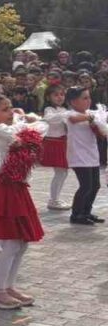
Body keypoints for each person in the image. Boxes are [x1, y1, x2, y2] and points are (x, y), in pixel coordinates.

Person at [0, 94, 46, 309]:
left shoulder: (9, 127)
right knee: (12, 242)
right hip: (0, 188)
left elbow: (38, 129)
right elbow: (7, 134)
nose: (10, 113)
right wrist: (23, 124)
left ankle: (8, 286)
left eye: (11, 108)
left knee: (22, 243)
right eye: (4, 109)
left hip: (14, 187)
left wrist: (28, 122)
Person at [65, 87, 105, 225]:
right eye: (85, 98)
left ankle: (86, 212)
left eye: (89, 97)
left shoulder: (90, 113)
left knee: (95, 185)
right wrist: (92, 118)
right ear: (73, 101)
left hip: (92, 155)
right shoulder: (69, 113)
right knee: (86, 186)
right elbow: (74, 119)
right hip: (78, 156)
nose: (89, 101)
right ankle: (76, 214)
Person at [40, 84, 70, 211]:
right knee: (60, 172)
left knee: (63, 172)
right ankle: (53, 200)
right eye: (56, 95)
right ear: (48, 97)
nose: (59, 97)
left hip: (63, 142)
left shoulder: (64, 109)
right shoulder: (49, 109)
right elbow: (49, 119)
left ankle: (55, 198)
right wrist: (67, 114)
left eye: (62, 94)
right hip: (54, 142)